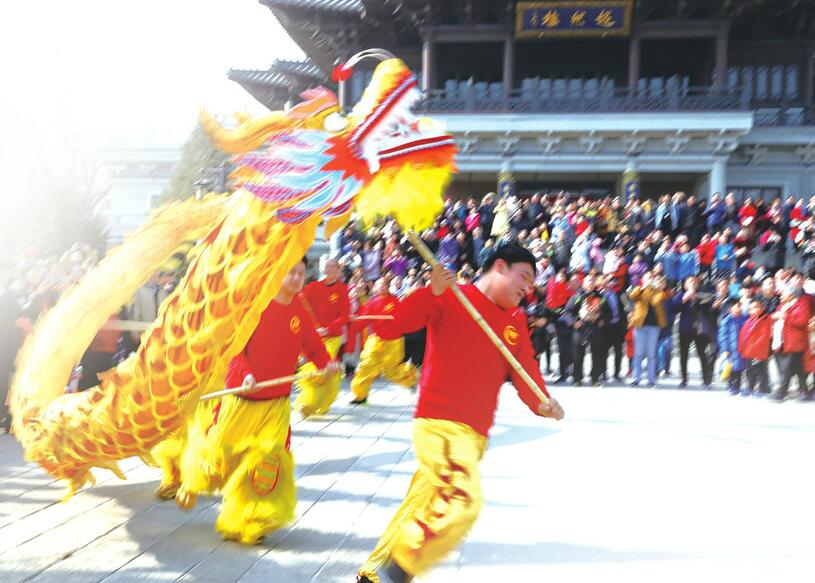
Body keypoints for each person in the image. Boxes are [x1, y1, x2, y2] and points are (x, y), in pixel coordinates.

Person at [357, 241, 564, 583]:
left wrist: (543, 402)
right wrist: (431, 292)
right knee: (462, 501)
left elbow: (526, 371)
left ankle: (374, 575)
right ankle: (399, 571)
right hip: (440, 424)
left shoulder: (513, 323)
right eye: (523, 276)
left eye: (532, 283)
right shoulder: (453, 296)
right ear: (499, 267)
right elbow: (389, 328)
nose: (528, 288)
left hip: (474, 435)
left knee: (424, 505)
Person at [163, 257, 340, 544]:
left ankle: (250, 522)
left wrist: (326, 363)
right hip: (242, 400)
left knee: (268, 463)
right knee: (219, 456)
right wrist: (244, 375)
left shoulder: (300, 310)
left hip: (277, 405)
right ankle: (191, 482)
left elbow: (314, 347)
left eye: (300, 273)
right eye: (290, 272)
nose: (296, 278)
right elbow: (236, 351)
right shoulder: (255, 306)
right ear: (277, 273)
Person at [294, 257, 350, 417]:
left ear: (338, 271)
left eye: (333, 266)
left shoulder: (342, 290)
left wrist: (328, 329)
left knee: (319, 369)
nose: (329, 269)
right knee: (327, 373)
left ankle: (308, 404)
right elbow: (299, 300)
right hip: (313, 336)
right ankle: (323, 401)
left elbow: (345, 316)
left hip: (332, 337)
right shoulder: (313, 287)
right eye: (327, 266)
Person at [349, 278, 419, 405]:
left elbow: (403, 318)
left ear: (387, 287)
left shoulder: (395, 301)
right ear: (374, 288)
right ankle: (360, 396)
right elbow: (364, 321)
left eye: (384, 285)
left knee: (391, 371)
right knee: (366, 366)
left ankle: (411, 379)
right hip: (376, 340)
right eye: (379, 285)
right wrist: (354, 322)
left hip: (394, 341)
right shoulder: (371, 303)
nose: (381, 287)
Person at [674, 276, 716, 388]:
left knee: (702, 354)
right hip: (684, 329)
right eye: (690, 282)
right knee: (683, 356)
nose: (692, 283)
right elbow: (675, 308)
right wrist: (685, 299)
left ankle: (706, 381)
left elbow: (708, 309)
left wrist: (697, 299)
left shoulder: (702, 295)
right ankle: (683, 379)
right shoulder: (680, 295)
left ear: (698, 284)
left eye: (694, 282)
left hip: (699, 330)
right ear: (685, 285)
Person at [628, 272, 670, 387]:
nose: (650, 280)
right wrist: (643, 287)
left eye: (652, 278)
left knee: (651, 354)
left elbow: (656, 301)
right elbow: (632, 296)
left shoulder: (659, 292)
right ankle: (636, 378)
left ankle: (651, 380)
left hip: (654, 326)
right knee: (638, 353)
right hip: (640, 325)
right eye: (648, 278)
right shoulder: (638, 289)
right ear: (643, 279)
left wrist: (655, 288)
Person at [739, 298, 773, 397]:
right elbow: (743, 335)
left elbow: (764, 336)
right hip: (749, 350)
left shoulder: (765, 319)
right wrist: (742, 348)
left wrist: (755, 348)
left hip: (759, 351)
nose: (753, 310)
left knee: (761, 370)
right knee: (750, 370)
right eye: (751, 308)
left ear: (761, 308)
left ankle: (763, 388)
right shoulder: (749, 320)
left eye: (756, 307)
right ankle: (750, 387)